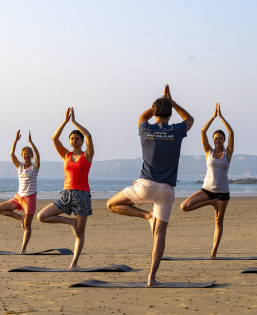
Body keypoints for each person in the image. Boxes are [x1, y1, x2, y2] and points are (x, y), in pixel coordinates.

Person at [107, 84, 193, 286]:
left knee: (111, 205)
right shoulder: (177, 130)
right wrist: (172, 101)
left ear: (154, 112)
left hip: (145, 186)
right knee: (160, 235)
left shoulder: (146, 128)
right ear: (171, 114)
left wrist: (160, 103)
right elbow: (190, 119)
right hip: (166, 190)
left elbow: (142, 116)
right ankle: (152, 278)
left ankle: (146, 215)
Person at [37, 108, 94, 271]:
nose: (74, 140)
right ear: (69, 141)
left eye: (77, 138)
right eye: (72, 138)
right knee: (42, 216)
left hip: (82, 195)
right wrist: (65, 121)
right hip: (66, 194)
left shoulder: (87, 156)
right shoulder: (65, 155)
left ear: (81, 142)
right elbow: (54, 138)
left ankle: (74, 263)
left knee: (80, 233)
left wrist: (75, 122)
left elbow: (89, 136)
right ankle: (70, 221)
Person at [180, 103, 234, 259]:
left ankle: (214, 253)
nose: (218, 140)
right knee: (185, 206)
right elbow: (203, 132)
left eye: (220, 138)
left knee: (218, 222)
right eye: (215, 138)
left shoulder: (228, 153)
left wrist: (221, 117)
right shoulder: (208, 151)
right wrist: (213, 117)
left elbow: (231, 132)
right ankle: (211, 203)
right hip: (207, 190)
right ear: (213, 140)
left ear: (223, 140)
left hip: (223, 193)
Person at [0, 130, 40, 254]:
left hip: (30, 199)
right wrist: (15, 140)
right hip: (18, 198)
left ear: (31, 155)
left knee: (27, 225)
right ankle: (20, 217)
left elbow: (38, 156)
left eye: (28, 153)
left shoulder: (34, 167)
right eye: (24, 153)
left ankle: (23, 249)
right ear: (22, 155)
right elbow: (11, 154)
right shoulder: (19, 167)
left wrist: (31, 142)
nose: (26, 155)